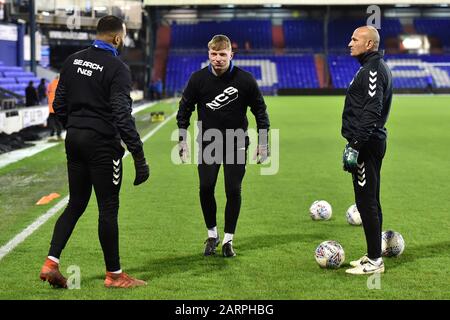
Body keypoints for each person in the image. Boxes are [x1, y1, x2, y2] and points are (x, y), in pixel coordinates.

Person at [39, 15, 150, 288]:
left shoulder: (72, 60)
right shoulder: (117, 68)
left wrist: (76, 127)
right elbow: (122, 116)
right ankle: (114, 275)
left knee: (75, 204)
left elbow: (59, 103)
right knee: (108, 209)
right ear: (117, 38)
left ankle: (51, 263)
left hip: (74, 139)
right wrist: (138, 156)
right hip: (102, 145)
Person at [176, 35, 270, 257]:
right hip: (208, 142)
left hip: (236, 142)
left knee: (232, 190)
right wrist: (182, 138)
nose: (218, 59)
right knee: (206, 187)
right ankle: (212, 235)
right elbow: (184, 109)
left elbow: (260, 112)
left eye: (222, 54)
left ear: (231, 55)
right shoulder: (197, 79)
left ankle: (228, 240)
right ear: (208, 54)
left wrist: (263, 142)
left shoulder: (245, 80)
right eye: (214, 54)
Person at [342, 26, 393, 275]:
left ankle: (375, 261)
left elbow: (372, 111)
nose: (350, 43)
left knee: (366, 201)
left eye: (355, 39)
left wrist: (354, 146)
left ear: (369, 44)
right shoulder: (369, 67)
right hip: (368, 142)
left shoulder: (372, 70)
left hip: (366, 145)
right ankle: (373, 256)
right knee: (370, 199)